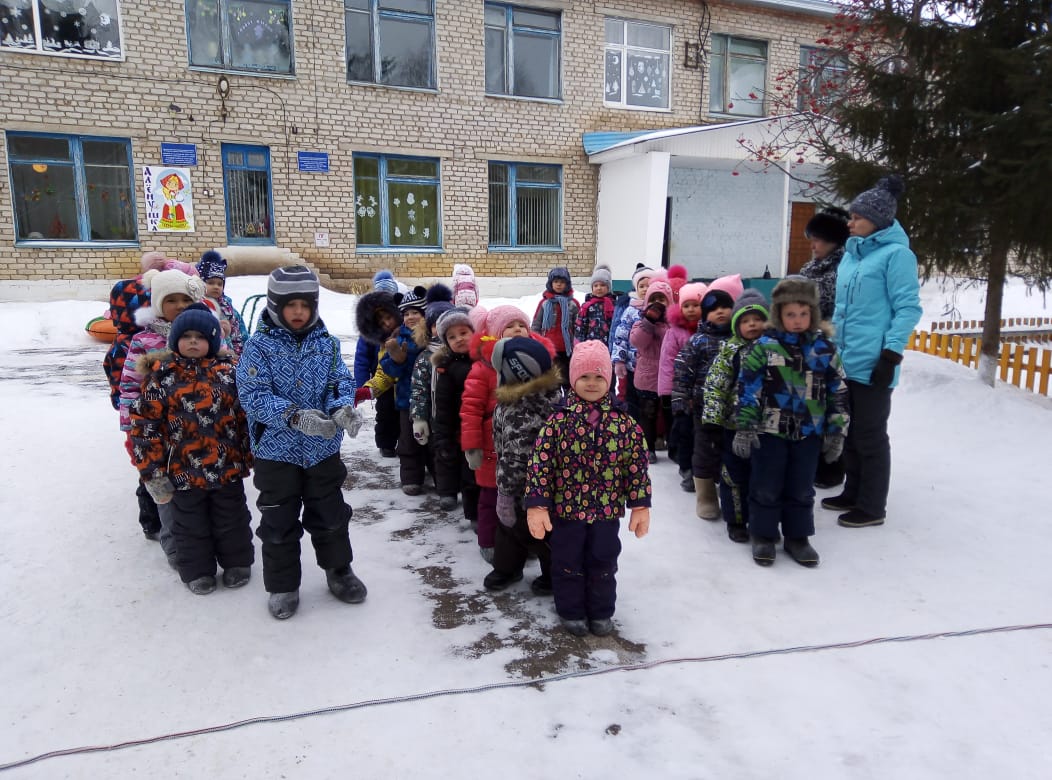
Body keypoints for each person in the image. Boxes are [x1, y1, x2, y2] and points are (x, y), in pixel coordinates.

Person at [236, 266, 366, 620]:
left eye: (305, 305)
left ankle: (339, 570)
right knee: (278, 521)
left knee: (331, 514)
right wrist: (295, 417)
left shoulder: (327, 344)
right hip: (276, 453)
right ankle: (282, 584)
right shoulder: (258, 347)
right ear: (275, 306)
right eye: (290, 305)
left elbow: (339, 381)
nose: (298, 312)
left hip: (322, 450)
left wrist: (341, 408)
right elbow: (253, 396)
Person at [525, 340, 651, 637]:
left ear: (609, 379)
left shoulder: (624, 424)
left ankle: (601, 610)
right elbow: (541, 464)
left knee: (603, 561)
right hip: (567, 511)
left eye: (598, 376)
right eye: (584, 376)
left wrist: (640, 505)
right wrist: (538, 504)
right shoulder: (558, 422)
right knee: (567, 561)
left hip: (606, 512)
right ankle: (571, 611)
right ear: (572, 379)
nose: (592, 383)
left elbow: (636, 465)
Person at [130, 304, 254, 594]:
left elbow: (244, 418)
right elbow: (145, 428)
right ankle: (197, 571)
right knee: (189, 525)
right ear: (175, 341)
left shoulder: (229, 374)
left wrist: (250, 454)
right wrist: (152, 473)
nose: (194, 342)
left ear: (212, 340)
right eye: (186, 336)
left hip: (227, 467)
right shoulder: (161, 378)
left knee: (232, 519)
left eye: (200, 336)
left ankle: (237, 563)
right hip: (182, 472)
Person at [826, 176, 922, 528]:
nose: (850, 223)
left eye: (857, 218)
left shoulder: (897, 256)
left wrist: (891, 355)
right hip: (844, 360)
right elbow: (842, 310)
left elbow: (907, 309)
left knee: (870, 435)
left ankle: (872, 506)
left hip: (874, 361)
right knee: (849, 431)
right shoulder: (852, 256)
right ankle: (852, 492)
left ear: (877, 220)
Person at [734, 277, 849, 567]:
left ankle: (798, 537)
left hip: (809, 432)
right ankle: (763, 533)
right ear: (778, 315)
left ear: (813, 314)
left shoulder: (824, 350)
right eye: (790, 314)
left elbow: (838, 391)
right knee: (766, 484)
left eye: (803, 313)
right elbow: (747, 389)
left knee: (801, 487)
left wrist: (836, 430)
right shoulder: (764, 348)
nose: (797, 320)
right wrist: (745, 427)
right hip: (769, 431)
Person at [120, 268, 206, 565]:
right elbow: (130, 388)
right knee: (164, 490)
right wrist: (131, 430)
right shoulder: (144, 341)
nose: (180, 305)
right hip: (157, 433)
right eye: (171, 300)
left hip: (196, 430)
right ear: (158, 304)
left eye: (185, 299)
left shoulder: (203, 335)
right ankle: (174, 546)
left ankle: (201, 539)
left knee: (195, 489)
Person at [462, 305, 554, 562]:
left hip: (528, 451)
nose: (517, 330)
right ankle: (490, 541)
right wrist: (472, 446)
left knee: (524, 500)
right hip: (493, 449)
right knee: (492, 498)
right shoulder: (483, 368)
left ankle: (526, 541)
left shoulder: (539, 362)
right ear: (494, 333)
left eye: (521, 325)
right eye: (509, 326)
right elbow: (470, 410)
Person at [485, 337, 562, 594]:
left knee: (533, 530)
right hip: (535, 484)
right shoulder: (527, 397)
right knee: (511, 530)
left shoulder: (523, 409)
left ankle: (554, 575)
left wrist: (506, 493)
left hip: (529, 488)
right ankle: (507, 568)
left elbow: (517, 458)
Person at [701, 289, 769, 543]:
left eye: (758, 319)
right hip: (734, 424)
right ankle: (736, 520)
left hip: (768, 427)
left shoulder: (775, 349)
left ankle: (763, 519)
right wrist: (712, 421)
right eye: (745, 320)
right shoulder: (730, 351)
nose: (752, 325)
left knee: (764, 476)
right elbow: (715, 386)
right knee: (734, 475)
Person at [672, 285, 736, 518]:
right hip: (704, 409)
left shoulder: (738, 340)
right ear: (705, 314)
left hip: (734, 411)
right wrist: (680, 400)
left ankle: (730, 494)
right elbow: (682, 372)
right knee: (704, 452)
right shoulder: (698, 341)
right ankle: (706, 496)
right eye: (714, 309)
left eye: (725, 307)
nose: (720, 312)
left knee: (731, 453)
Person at [800, 207, 850, 490]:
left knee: (830, 406)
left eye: (818, 239)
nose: (813, 245)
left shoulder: (842, 271)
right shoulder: (810, 269)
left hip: (830, 350)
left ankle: (832, 466)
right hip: (803, 349)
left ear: (833, 240)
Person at [430, 307, 480, 520]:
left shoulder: (487, 361)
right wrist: (443, 436)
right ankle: (474, 515)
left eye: (463, 333)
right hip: (461, 429)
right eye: (451, 337)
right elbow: (443, 407)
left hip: (486, 427)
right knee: (468, 474)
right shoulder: (447, 369)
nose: (458, 339)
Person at [659, 280, 707, 490]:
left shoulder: (709, 330)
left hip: (706, 394)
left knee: (702, 436)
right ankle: (687, 469)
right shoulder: (675, 331)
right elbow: (667, 361)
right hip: (683, 392)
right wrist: (667, 391)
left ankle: (702, 472)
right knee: (685, 432)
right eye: (686, 305)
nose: (691, 310)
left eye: (695, 305)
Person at [409, 284, 455, 486]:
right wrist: (419, 418)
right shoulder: (424, 357)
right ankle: (442, 485)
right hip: (434, 417)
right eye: (435, 324)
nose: (440, 328)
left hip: (458, 417)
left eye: (445, 322)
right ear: (428, 328)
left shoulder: (460, 354)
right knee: (437, 452)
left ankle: (456, 485)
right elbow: (418, 389)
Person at [353, 270, 401, 458]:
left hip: (404, 381)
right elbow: (361, 359)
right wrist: (362, 385)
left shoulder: (404, 330)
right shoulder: (369, 334)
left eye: (389, 317)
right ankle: (386, 444)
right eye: (381, 321)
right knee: (385, 412)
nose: (386, 323)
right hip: (381, 379)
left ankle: (404, 442)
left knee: (403, 415)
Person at [629, 276, 674, 460]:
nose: (657, 303)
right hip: (647, 377)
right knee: (648, 414)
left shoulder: (673, 324)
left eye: (661, 299)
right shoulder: (641, 323)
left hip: (670, 377)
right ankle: (648, 447)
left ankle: (674, 447)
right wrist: (649, 321)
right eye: (653, 299)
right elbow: (637, 341)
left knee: (671, 414)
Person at [610, 264, 660, 418]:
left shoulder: (660, 310)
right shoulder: (631, 310)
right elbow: (621, 336)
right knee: (630, 398)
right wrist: (619, 360)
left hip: (653, 368)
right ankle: (629, 423)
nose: (645, 289)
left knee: (649, 405)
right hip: (632, 366)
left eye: (648, 285)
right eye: (641, 286)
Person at [532, 266, 579, 384]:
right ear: (550, 283)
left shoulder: (573, 304)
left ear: (567, 284)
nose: (559, 284)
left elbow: (578, 326)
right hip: (549, 348)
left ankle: (568, 394)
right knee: (551, 378)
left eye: (562, 282)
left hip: (568, 349)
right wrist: (536, 343)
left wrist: (578, 344)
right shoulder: (544, 303)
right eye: (556, 281)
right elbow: (536, 325)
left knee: (568, 378)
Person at [196, 250, 248, 357]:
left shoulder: (228, 307)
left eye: (220, 284)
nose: (216, 287)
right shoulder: (197, 306)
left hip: (233, 355)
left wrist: (243, 352)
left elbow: (240, 331)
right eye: (210, 283)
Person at [573, 264, 617, 345]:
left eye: (602, 285)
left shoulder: (614, 305)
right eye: (595, 285)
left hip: (608, 346)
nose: (599, 288)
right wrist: (578, 345)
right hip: (590, 347)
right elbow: (580, 328)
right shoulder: (587, 306)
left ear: (608, 287)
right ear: (592, 288)